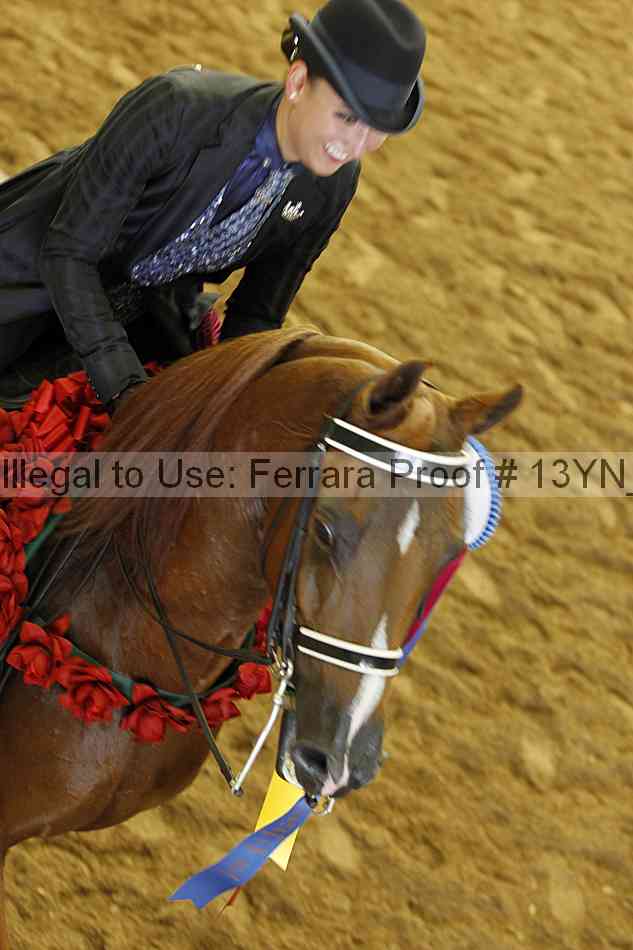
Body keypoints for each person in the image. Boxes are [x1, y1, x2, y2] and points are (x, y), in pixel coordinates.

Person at [0, 0, 426, 412]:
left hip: (140, 321)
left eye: (375, 130)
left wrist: (228, 404)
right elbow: (68, 253)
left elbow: (257, 314)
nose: (354, 146)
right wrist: (125, 388)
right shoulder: (174, 108)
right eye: (346, 117)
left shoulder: (333, 184)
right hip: (29, 282)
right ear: (297, 83)